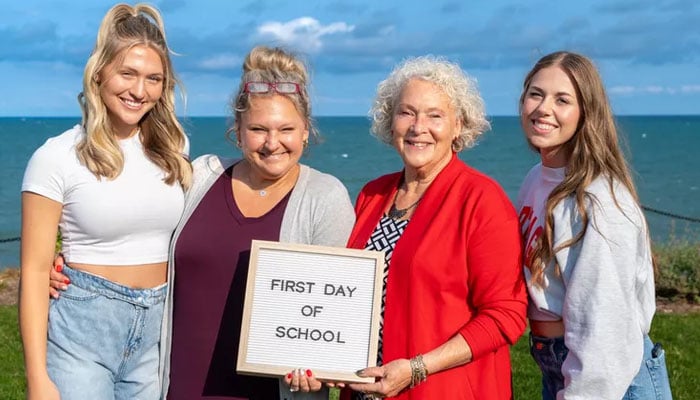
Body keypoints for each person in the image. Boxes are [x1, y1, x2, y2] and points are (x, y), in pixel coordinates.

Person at [20, 3, 191, 400]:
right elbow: (33, 271)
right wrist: (36, 379)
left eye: (153, 78)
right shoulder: (56, 156)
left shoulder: (173, 148)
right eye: (127, 73)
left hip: (157, 333)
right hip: (82, 331)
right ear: (99, 73)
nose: (139, 90)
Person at [336, 56, 527, 399]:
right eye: (406, 112)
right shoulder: (372, 194)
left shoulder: (481, 200)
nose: (418, 126)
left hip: (442, 389)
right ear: (389, 121)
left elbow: (506, 315)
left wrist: (418, 368)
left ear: (458, 126)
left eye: (435, 115)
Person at [516, 51, 673, 399]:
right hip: (560, 364)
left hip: (606, 379)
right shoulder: (535, 180)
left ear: (586, 113)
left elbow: (605, 328)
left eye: (562, 100)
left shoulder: (597, 201)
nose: (544, 108)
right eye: (536, 94)